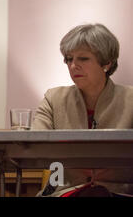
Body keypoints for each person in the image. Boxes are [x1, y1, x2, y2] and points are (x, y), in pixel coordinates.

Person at [33, 23, 133, 196]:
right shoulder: (53, 98)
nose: (73, 66)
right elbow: (33, 145)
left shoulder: (130, 99)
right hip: (66, 191)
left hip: (118, 192)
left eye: (83, 58)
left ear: (107, 63)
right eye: (69, 59)